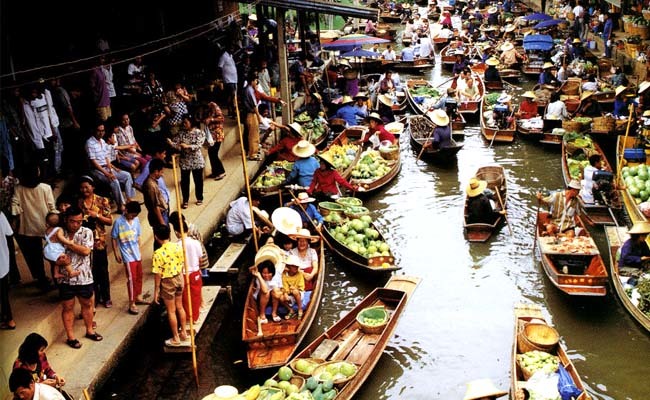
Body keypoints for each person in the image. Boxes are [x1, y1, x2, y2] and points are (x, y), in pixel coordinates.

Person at [60, 206, 102, 349]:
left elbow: (85, 251)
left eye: (79, 222)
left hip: (84, 277)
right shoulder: (59, 232)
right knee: (68, 307)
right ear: (66, 220)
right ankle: (71, 337)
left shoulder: (87, 232)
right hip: (65, 278)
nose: (76, 225)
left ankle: (90, 330)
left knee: (87, 304)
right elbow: (51, 252)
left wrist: (68, 244)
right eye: (72, 221)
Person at [12, 164, 56, 291]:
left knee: (34, 256)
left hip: (28, 227)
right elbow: (51, 207)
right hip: (46, 225)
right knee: (53, 252)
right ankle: (57, 277)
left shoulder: (18, 188)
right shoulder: (45, 188)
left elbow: (15, 205)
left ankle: (41, 280)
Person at [78, 176, 113, 308]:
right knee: (90, 271)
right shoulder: (79, 202)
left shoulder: (102, 200)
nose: (84, 189)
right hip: (85, 242)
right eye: (82, 187)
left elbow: (109, 221)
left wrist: (96, 215)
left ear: (93, 187)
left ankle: (107, 296)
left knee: (102, 270)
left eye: (87, 187)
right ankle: (96, 297)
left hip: (99, 241)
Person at [152, 224, 189, 347]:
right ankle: (184, 332)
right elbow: (183, 263)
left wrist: (156, 290)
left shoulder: (158, 253)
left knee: (171, 311)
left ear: (156, 237)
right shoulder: (178, 247)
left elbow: (158, 274)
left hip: (168, 281)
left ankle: (176, 337)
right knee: (180, 307)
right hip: (179, 277)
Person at [85, 121, 135, 212]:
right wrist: (107, 174)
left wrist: (111, 170)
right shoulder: (90, 143)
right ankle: (121, 206)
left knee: (127, 175)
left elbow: (106, 157)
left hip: (106, 167)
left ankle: (129, 200)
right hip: (97, 169)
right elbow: (93, 162)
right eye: (99, 131)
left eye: (103, 131)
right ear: (94, 131)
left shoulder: (103, 141)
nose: (101, 133)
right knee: (114, 181)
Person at [111, 201, 144, 315]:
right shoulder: (118, 222)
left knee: (139, 275)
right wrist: (116, 253)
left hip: (136, 253)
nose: (133, 217)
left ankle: (138, 296)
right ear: (126, 211)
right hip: (127, 254)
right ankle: (131, 302)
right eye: (132, 215)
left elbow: (138, 235)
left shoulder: (136, 221)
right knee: (131, 278)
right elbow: (114, 238)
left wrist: (140, 248)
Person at [169, 214, 203, 324]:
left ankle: (189, 318)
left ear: (176, 232)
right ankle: (195, 316)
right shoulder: (196, 243)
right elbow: (200, 259)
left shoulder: (176, 246)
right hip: (195, 272)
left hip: (184, 274)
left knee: (186, 298)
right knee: (195, 296)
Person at [167, 115, 205, 208]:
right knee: (185, 182)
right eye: (183, 122)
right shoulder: (181, 133)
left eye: (186, 122)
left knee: (198, 180)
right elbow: (178, 145)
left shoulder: (199, 133)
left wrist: (188, 146)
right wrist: (171, 144)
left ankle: (199, 198)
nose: (184, 124)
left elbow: (198, 145)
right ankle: (185, 200)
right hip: (185, 160)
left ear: (191, 122)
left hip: (196, 160)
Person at [43, 212, 78, 279]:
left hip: (48, 249)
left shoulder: (47, 230)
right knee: (65, 259)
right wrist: (69, 242)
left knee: (57, 261)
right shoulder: (59, 229)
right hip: (55, 248)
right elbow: (60, 237)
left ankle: (56, 273)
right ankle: (71, 272)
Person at [142, 158, 169, 243]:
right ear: (156, 171)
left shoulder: (152, 182)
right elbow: (155, 206)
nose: (162, 174)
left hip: (161, 214)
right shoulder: (151, 186)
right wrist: (162, 223)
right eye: (161, 172)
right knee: (161, 240)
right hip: (159, 216)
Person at [0, 211, 15, 330]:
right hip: (2, 263)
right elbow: (9, 233)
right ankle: (9, 319)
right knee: (3, 294)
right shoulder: (0, 214)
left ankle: (9, 320)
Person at [280, 255, 305, 319]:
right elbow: (285, 287)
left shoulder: (300, 274)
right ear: (288, 266)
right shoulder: (284, 275)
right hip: (290, 295)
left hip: (299, 294)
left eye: (296, 266)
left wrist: (293, 289)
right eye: (293, 266)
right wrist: (285, 293)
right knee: (281, 297)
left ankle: (300, 309)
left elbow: (301, 287)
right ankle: (291, 310)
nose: (295, 268)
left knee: (295, 292)